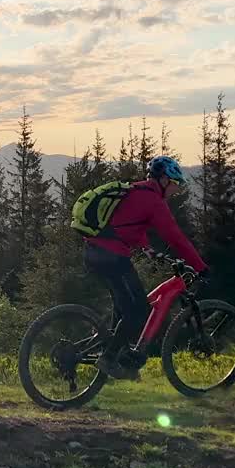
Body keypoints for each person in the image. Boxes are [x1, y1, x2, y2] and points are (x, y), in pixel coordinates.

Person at [83, 155, 208, 380]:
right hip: (112, 256)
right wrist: (200, 267)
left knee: (124, 309)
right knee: (139, 309)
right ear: (163, 180)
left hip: (95, 251)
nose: (175, 190)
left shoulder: (134, 190)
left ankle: (117, 358)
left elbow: (129, 223)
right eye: (174, 184)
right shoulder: (154, 201)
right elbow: (176, 237)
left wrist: (147, 249)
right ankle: (108, 358)